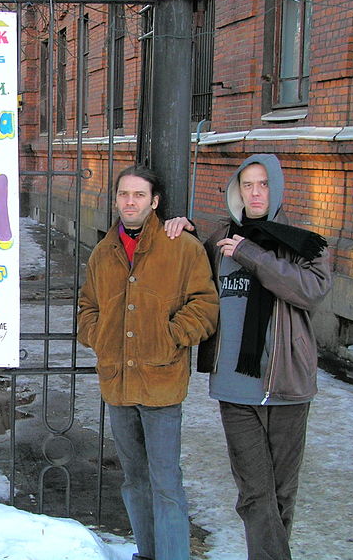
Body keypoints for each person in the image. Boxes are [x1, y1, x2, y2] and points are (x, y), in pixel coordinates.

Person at [165, 154, 332, 560]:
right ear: (236, 192)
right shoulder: (218, 241)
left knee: (281, 493)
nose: (255, 193)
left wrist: (251, 255)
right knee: (256, 492)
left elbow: (309, 291)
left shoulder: (305, 243)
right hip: (235, 385)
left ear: (276, 189)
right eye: (247, 185)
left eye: (263, 184)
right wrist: (183, 230)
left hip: (288, 383)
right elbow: (191, 277)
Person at [77, 165, 219, 560]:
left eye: (139, 195)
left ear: (154, 202)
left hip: (161, 382)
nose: (130, 202)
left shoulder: (182, 247)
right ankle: (147, 552)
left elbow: (205, 306)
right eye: (124, 194)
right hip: (118, 383)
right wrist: (99, 336)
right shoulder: (104, 253)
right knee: (134, 480)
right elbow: (87, 306)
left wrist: (170, 337)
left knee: (166, 482)